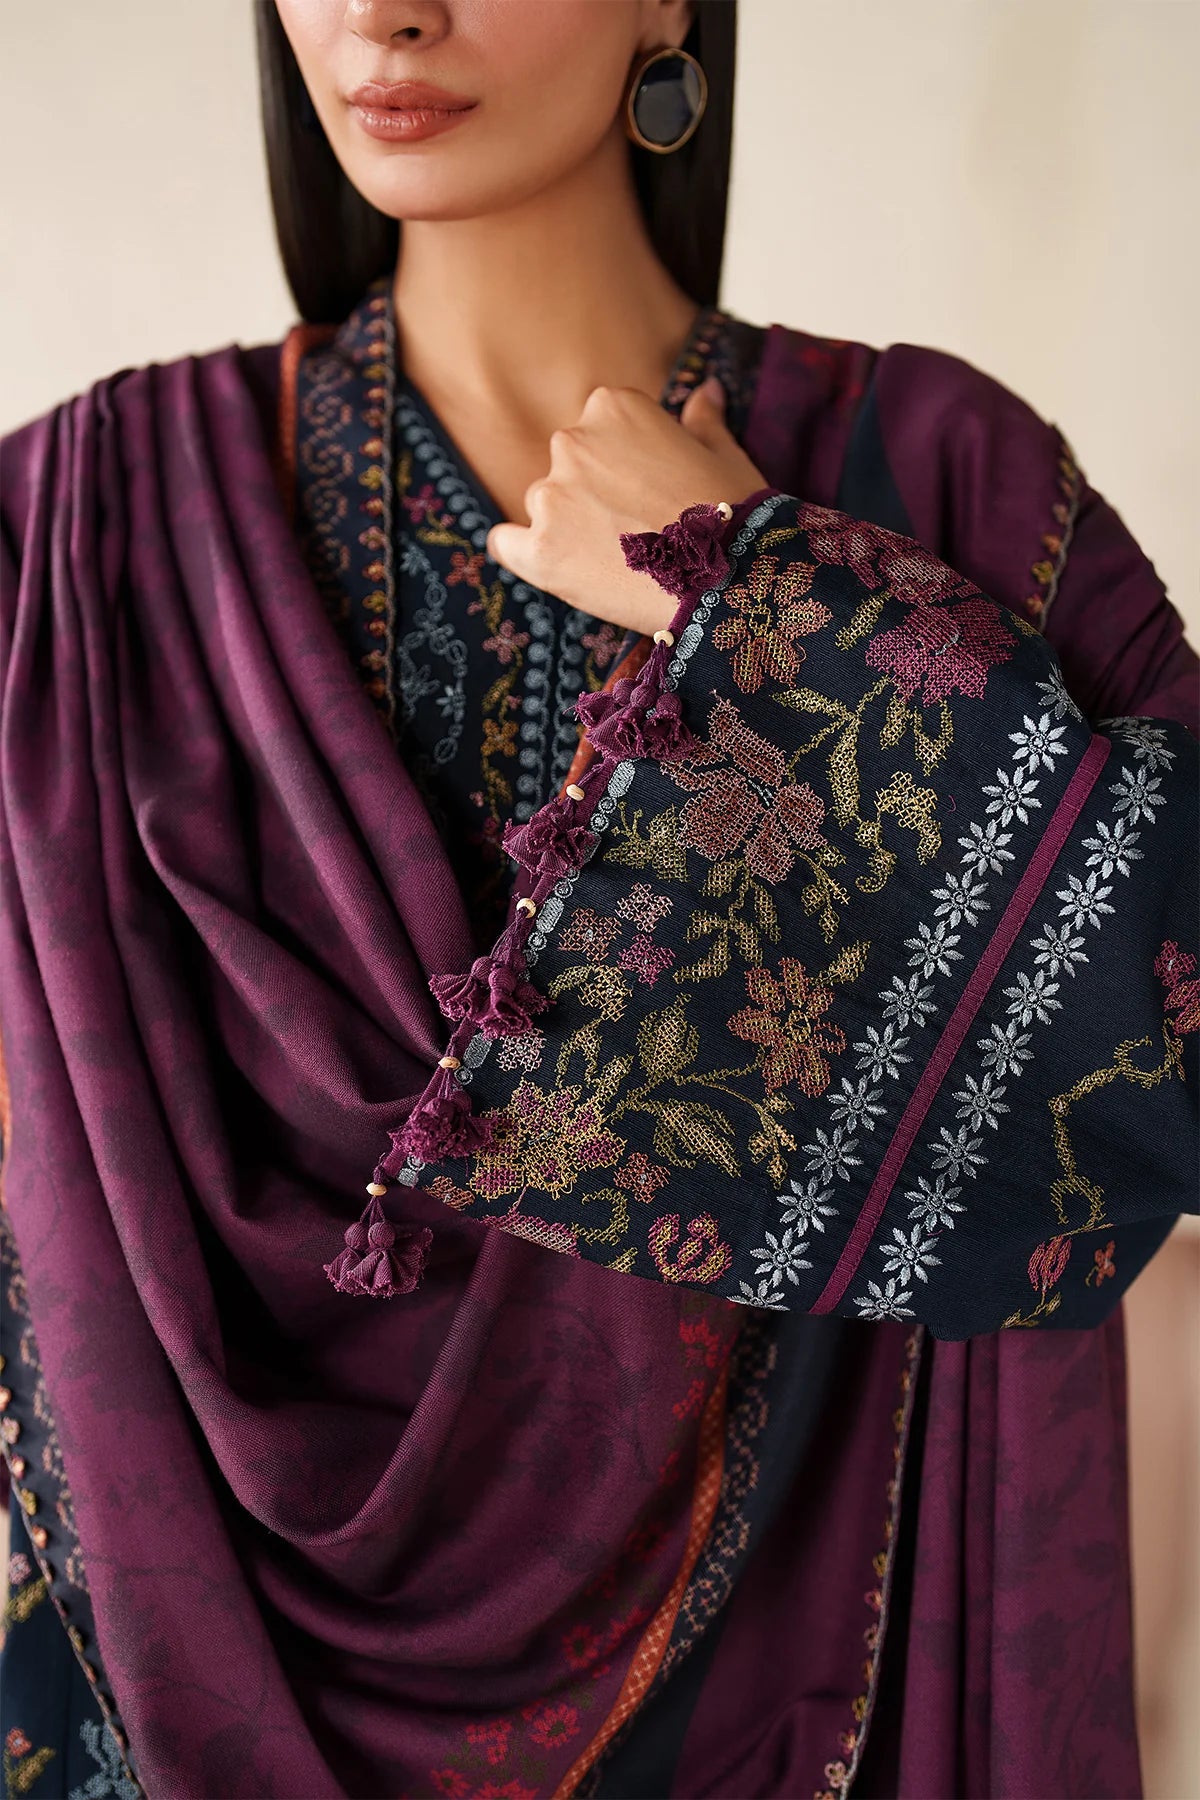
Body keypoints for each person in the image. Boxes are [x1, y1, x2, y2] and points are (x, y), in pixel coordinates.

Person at [0, 3, 1195, 1796]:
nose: (387, 10)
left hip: (804, 1725)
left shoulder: (947, 479)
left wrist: (772, 603)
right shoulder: (69, 545)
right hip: (161, 1708)